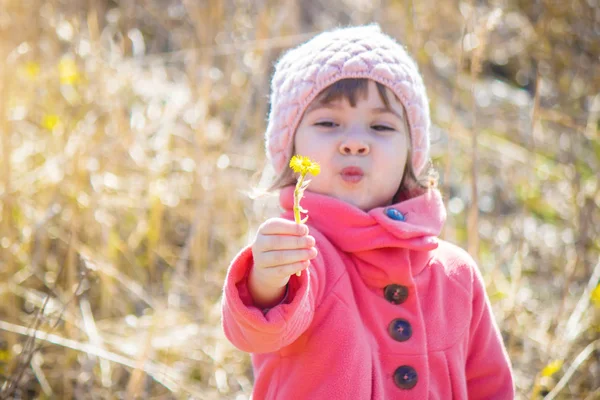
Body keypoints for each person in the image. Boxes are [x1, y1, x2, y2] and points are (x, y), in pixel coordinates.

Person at [221, 24, 514, 399]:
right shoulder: (303, 257)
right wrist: (266, 280)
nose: (356, 143)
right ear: (291, 152)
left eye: (381, 126)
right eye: (328, 123)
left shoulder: (455, 275)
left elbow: (490, 385)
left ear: (412, 152)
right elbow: (258, 331)